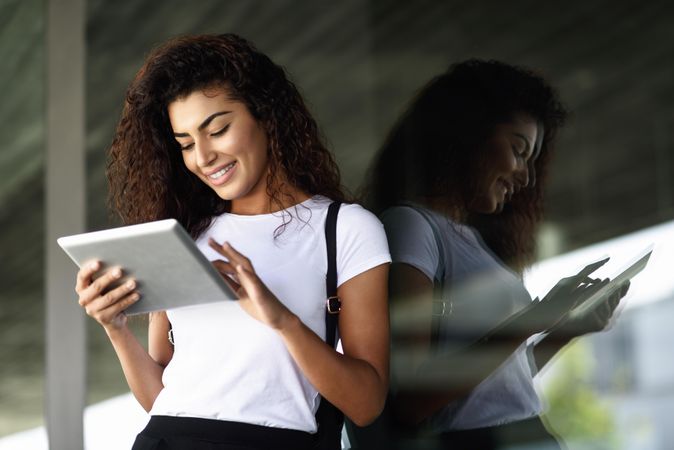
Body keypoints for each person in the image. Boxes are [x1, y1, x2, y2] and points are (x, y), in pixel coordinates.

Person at [74, 33, 391, 450]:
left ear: (266, 116)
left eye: (218, 129)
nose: (202, 157)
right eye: (185, 143)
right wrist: (115, 328)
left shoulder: (345, 229)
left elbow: (367, 404)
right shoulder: (187, 233)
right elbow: (164, 402)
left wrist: (281, 319)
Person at [357, 59, 629, 449]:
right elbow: (412, 398)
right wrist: (533, 318)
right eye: (519, 150)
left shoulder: (468, 239)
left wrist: (568, 329)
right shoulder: (411, 226)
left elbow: (491, 389)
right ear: (466, 134)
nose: (526, 175)